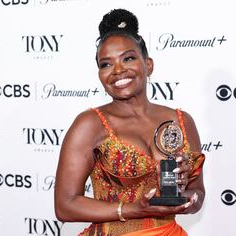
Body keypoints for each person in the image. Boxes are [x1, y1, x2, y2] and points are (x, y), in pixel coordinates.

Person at [54, 9, 205, 236]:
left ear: (149, 64)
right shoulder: (89, 124)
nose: (117, 70)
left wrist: (187, 199)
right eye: (106, 64)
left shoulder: (181, 121)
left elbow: (198, 194)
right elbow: (65, 206)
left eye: (128, 58)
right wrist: (133, 210)